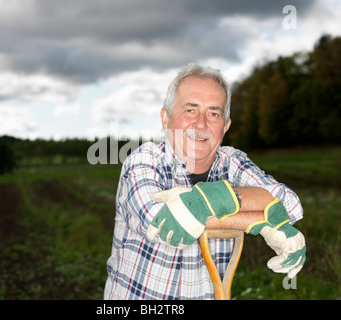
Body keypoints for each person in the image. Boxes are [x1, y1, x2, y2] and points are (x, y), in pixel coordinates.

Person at [104, 63, 306, 300]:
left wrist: (212, 200)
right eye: (190, 110)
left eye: (214, 113)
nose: (201, 124)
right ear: (166, 118)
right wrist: (261, 221)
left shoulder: (232, 162)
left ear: (225, 127)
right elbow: (167, 222)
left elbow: (290, 204)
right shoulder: (143, 161)